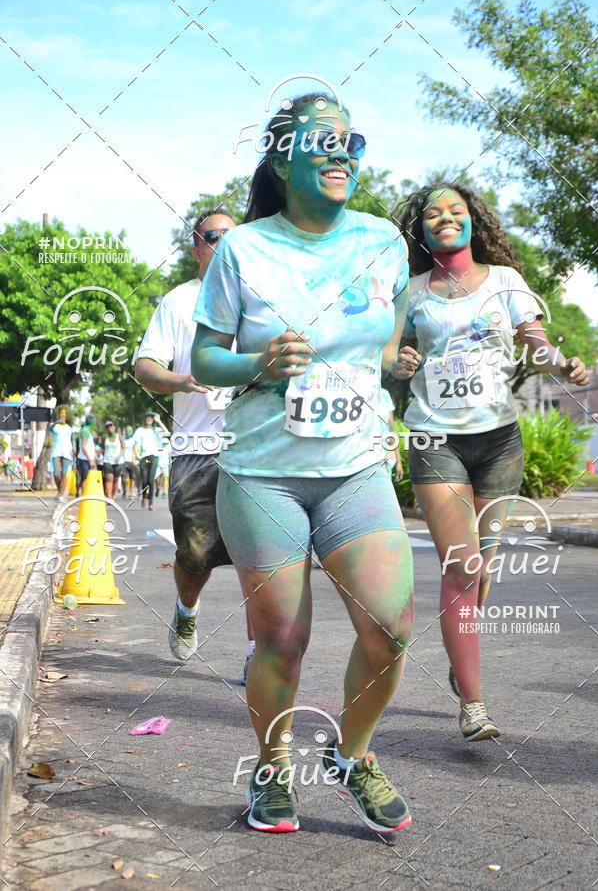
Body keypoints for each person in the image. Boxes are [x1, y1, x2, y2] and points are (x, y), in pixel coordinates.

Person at [191, 93, 413, 834]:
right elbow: (204, 358)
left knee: (392, 626)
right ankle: (271, 765)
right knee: (283, 637)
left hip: (355, 468)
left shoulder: (385, 241)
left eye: (349, 140)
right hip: (263, 475)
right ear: (282, 158)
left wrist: (386, 378)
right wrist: (258, 360)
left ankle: (353, 756)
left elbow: (387, 334)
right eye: (320, 140)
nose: (339, 152)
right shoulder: (243, 249)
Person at [394, 183, 589, 742]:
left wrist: (562, 366)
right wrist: (403, 362)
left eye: (456, 210)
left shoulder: (505, 282)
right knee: (463, 564)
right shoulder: (410, 293)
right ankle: (474, 704)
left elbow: (536, 342)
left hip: (499, 441)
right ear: (422, 228)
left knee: (484, 565)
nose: (445, 218)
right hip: (437, 439)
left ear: (473, 222)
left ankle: (464, 657)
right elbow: (394, 356)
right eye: (432, 213)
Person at [136, 208, 256, 677]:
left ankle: (257, 656)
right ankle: (187, 611)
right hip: (195, 448)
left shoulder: (260, 299)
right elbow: (145, 367)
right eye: (212, 236)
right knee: (196, 555)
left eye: (232, 235)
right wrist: (180, 381)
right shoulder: (179, 301)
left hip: (254, 447)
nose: (223, 243)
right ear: (196, 248)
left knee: (258, 555)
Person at [131, 412, 167, 510]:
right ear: (145, 419)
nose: (149, 419)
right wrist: (134, 457)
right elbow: (133, 443)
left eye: (151, 418)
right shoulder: (140, 430)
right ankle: (144, 498)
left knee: (151, 481)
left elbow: (167, 433)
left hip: (154, 457)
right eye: (147, 417)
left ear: (153, 419)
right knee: (145, 480)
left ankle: (151, 503)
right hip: (144, 458)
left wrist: (159, 421)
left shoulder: (157, 430)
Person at [49, 405, 74, 502]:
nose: (62, 415)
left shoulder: (69, 427)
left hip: (67, 451)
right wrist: (56, 422)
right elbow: (49, 429)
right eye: (61, 413)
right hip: (56, 451)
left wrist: (74, 450)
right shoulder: (54, 426)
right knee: (56, 474)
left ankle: (61, 494)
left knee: (64, 473)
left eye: (64, 413)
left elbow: (72, 440)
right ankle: (61, 491)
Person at [101, 420, 125, 499]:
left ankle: (113, 495)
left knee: (116, 479)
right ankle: (109, 497)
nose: (109, 428)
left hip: (119, 462)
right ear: (106, 429)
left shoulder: (119, 436)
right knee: (109, 478)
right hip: (107, 461)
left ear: (114, 427)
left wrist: (119, 456)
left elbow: (123, 447)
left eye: (111, 426)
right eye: (107, 427)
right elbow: (102, 447)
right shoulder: (104, 437)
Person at [76, 414, 97, 488]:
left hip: (89, 459)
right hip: (84, 459)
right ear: (92, 422)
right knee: (85, 478)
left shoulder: (89, 431)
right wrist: (90, 460)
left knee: (91, 478)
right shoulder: (85, 431)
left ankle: (88, 496)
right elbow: (83, 447)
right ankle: (84, 497)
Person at [121, 426, 138, 500]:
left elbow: (134, 450)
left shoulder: (133, 440)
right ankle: (124, 490)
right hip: (123, 461)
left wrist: (134, 459)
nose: (128, 432)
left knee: (132, 478)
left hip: (131, 461)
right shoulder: (123, 440)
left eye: (129, 430)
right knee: (124, 479)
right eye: (127, 431)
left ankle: (131, 493)